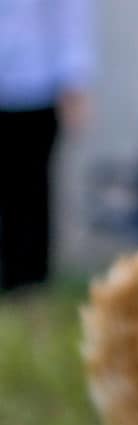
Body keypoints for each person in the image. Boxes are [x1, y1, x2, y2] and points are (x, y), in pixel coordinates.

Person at [0, 0, 94, 292]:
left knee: (30, 190)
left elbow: (72, 13)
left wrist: (75, 81)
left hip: (34, 84)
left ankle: (28, 284)